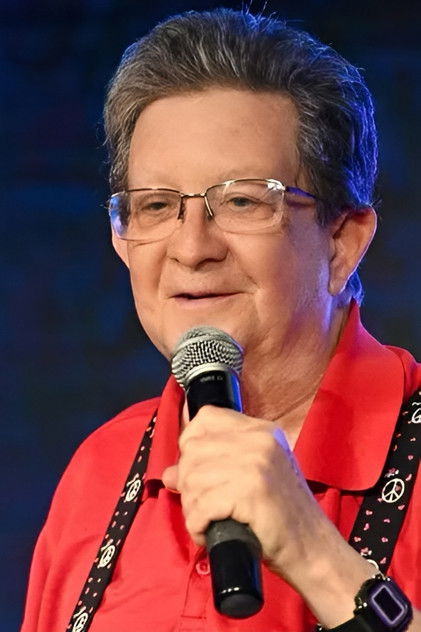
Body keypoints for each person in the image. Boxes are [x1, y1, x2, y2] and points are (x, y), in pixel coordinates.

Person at [21, 8, 420, 632]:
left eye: (241, 201)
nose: (191, 248)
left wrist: (314, 554)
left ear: (343, 242)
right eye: (157, 206)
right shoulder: (101, 469)